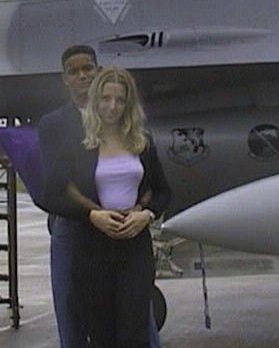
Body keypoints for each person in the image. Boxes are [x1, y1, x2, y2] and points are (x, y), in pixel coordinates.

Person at [40, 67, 171, 347]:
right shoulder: (79, 143)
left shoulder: (142, 141)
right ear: (96, 100)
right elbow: (51, 194)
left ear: (129, 103)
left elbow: (163, 191)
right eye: (106, 99)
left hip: (134, 248)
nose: (112, 107)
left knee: (134, 334)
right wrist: (91, 215)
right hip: (92, 249)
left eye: (120, 100)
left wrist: (147, 215)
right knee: (102, 335)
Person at [37, 45, 100, 348]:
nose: (82, 76)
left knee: (133, 316)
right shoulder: (53, 124)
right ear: (65, 79)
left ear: (98, 71)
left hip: (114, 224)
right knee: (70, 309)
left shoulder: (118, 115)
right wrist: (90, 213)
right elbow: (53, 187)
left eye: (88, 68)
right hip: (71, 226)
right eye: (74, 72)